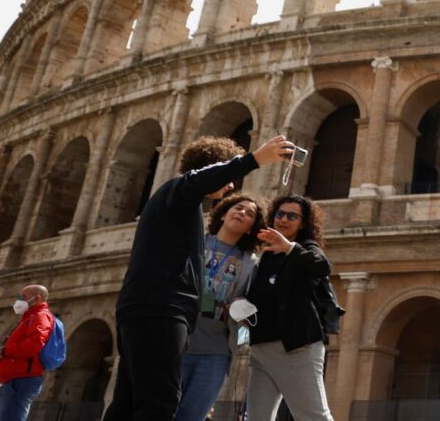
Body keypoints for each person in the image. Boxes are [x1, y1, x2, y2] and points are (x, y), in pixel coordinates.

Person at [104, 134, 296, 421]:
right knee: (160, 402)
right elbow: (199, 180)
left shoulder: (179, 203)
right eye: (227, 177)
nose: (230, 186)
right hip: (162, 307)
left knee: (128, 401)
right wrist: (254, 159)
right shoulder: (180, 191)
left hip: (146, 306)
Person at [173, 193, 267, 421]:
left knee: (192, 416)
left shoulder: (251, 264)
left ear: (251, 228)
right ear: (224, 214)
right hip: (176, 341)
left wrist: (241, 314)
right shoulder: (193, 244)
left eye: (250, 214)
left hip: (216, 352)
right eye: (238, 207)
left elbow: (250, 318)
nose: (242, 213)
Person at [244, 195, 336, 420]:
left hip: (295, 347)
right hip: (261, 348)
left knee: (313, 416)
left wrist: (288, 247)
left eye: (292, 216)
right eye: (280, 214)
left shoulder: (306, 248)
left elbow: (322, 266)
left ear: (303, 223)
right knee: (257, 417)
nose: (284, 220)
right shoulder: (267, 256)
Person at [0, 284, 55, 421]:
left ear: (37, 298)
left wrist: (5, 351)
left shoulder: (40, 317)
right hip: (17, 378)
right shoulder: (31, 317)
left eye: (23, 297)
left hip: (21, 379)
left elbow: (34, 345)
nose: (19, 300)